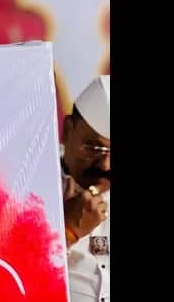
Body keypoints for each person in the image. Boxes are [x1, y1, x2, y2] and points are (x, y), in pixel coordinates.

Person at [61, 75, 110, 302]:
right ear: (67, 130)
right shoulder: (28, 187)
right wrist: (67, 231)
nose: (105, 165)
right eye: (93, 147)